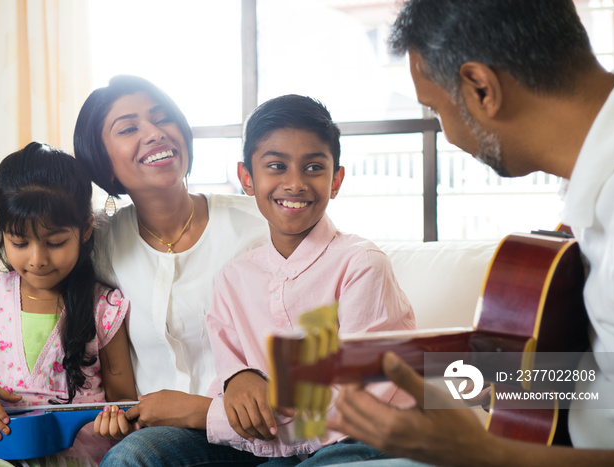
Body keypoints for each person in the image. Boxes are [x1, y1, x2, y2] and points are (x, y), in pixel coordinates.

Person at [326, 0, 614, 465]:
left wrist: (481, 453)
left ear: (481, 88)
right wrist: (503, 378)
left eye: (436, 109)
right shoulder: (586, 188)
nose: (445, 132)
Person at [101, 94, 416, 466]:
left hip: (359, 440)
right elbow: (229, 378)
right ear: (247, 178)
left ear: (336, 180)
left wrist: (204, 413)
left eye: (314, 167)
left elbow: (358, 407)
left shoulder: (361, 264)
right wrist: (238, 381)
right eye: (277, 166)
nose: (295, 183)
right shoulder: (235, 278)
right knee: (135, 456)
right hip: (266, 443)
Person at [72, 76, 269, 462]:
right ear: (104, 164)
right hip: (162, 441)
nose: (154, 133)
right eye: (129, 128)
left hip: (255, 428)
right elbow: (27, 305)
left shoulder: (255, 225)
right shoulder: (99, 244)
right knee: (130, 458)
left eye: (163, 119)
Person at [0, 142, 137, 465]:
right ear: (2, 233)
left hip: (74, 455)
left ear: (85, 230)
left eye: (55, 242)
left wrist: (117, 423)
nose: (38, 260)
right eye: (19, 242)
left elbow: (123, 402)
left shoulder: (103, 307)